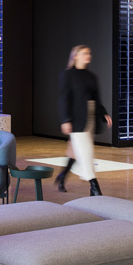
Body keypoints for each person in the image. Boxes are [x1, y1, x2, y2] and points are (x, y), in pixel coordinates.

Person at [57, 45, 113, 195]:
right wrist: (66, 119)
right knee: (86, 152)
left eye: (89, 53)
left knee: (77, 152)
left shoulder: (91, 76)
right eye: (84, 53)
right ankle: (94, 186)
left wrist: (104, 114)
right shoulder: (67, 75)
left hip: (90, 118)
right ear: (75, 56)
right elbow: (64, 99)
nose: (88, 55)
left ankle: (62, 176)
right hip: (76, 119)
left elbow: (95, 98)